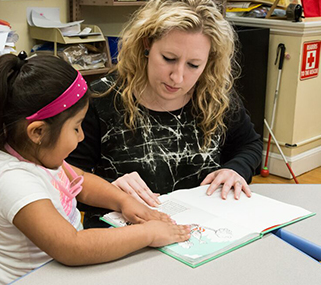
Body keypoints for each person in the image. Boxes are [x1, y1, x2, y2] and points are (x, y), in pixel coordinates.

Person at [0, 53, 190, 285]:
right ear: (38, 132)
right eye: (76, 127)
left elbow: (80, 180)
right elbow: (71, 247)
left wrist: (123, 201)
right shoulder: (12, 180)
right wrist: (148, 233)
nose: (81, 137)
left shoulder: (37, 154)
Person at [67, 0, 262, 227]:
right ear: (146, 45)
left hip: (202, 232)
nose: (177, 77)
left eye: (194, 65)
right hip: (123, 241)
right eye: (169, 59)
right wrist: (111, 190)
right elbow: (66, 173)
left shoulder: (214, 96)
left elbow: (249, 145)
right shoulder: (101, 98)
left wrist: (234, 170)